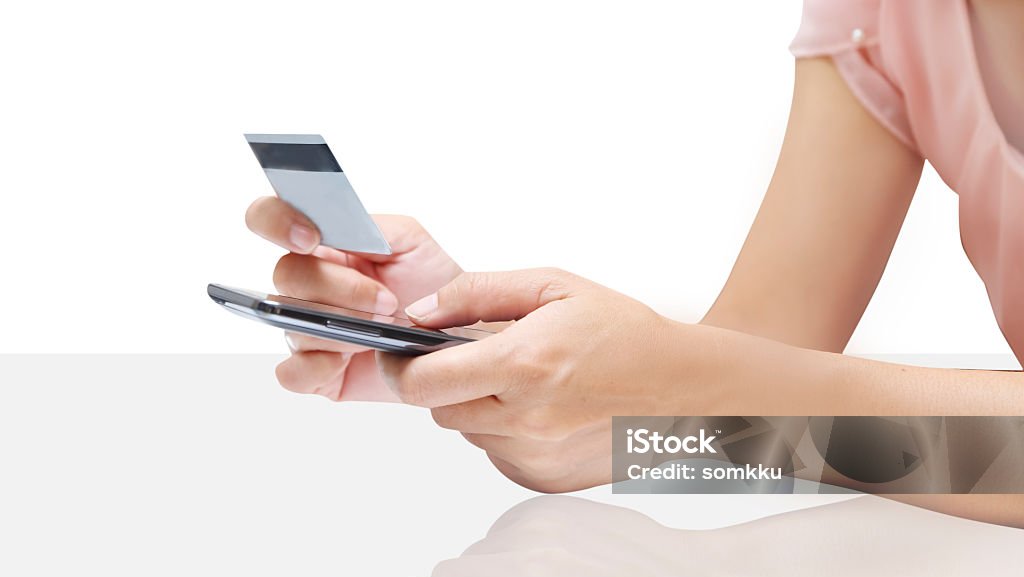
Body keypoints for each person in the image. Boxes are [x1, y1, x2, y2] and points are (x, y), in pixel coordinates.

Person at [243, 0, 1024, 507]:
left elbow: (755, 393)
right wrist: (498, 365)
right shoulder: (885, 16)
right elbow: (764, 372)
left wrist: (686, 386)